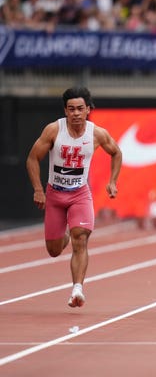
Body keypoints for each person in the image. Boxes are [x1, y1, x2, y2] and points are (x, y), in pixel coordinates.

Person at [26, 87, 122, 308]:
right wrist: (38, 189)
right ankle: (65, 234)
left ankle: (77, 289)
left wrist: (113, 181)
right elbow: (32, 158)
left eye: (80, 108)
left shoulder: (97, 133)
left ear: (88, 109)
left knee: (81, 240)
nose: (76, 113)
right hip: (55, 195)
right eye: (71, 109)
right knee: (53, 250)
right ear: (65, 111)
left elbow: (116, 152)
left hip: (80, 194)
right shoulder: (53, 130)